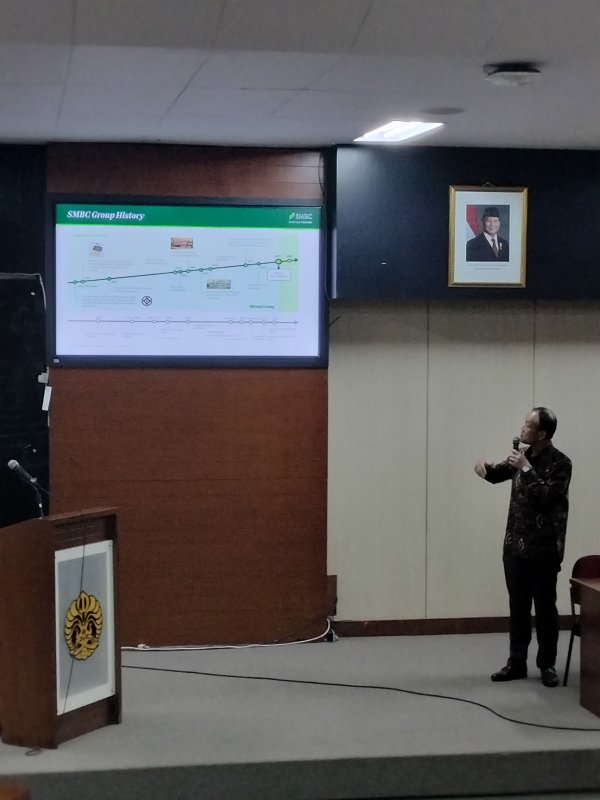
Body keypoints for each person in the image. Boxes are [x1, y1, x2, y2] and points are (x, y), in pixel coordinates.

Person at [474, 407, 571, 688]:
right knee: (518, 609)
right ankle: (516, 662)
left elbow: (546, 496)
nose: (522, 427)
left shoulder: (561, 463)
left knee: (545, 610)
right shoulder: (522, 457)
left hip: (544, 550)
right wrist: (483, 467)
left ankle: (547, 665)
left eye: (528, 425)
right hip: (515, 548)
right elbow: (497, 474)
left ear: (542, 433)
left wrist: (525, 468)